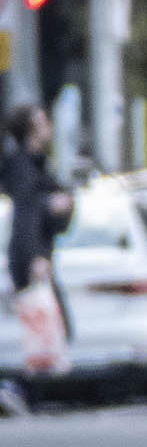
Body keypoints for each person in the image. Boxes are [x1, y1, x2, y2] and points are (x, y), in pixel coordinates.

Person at [2, 104, 72, 415]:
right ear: (32, 129)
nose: (49, 127)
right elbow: (27, 216)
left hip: (37, 254)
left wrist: (60, 206)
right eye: (43, 121)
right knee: (38, 326)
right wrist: (35, 258)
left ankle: (27, 390)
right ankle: (19, 388)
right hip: (30, 257)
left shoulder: (38, 164)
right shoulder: (23, 166)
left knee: (47, 326)